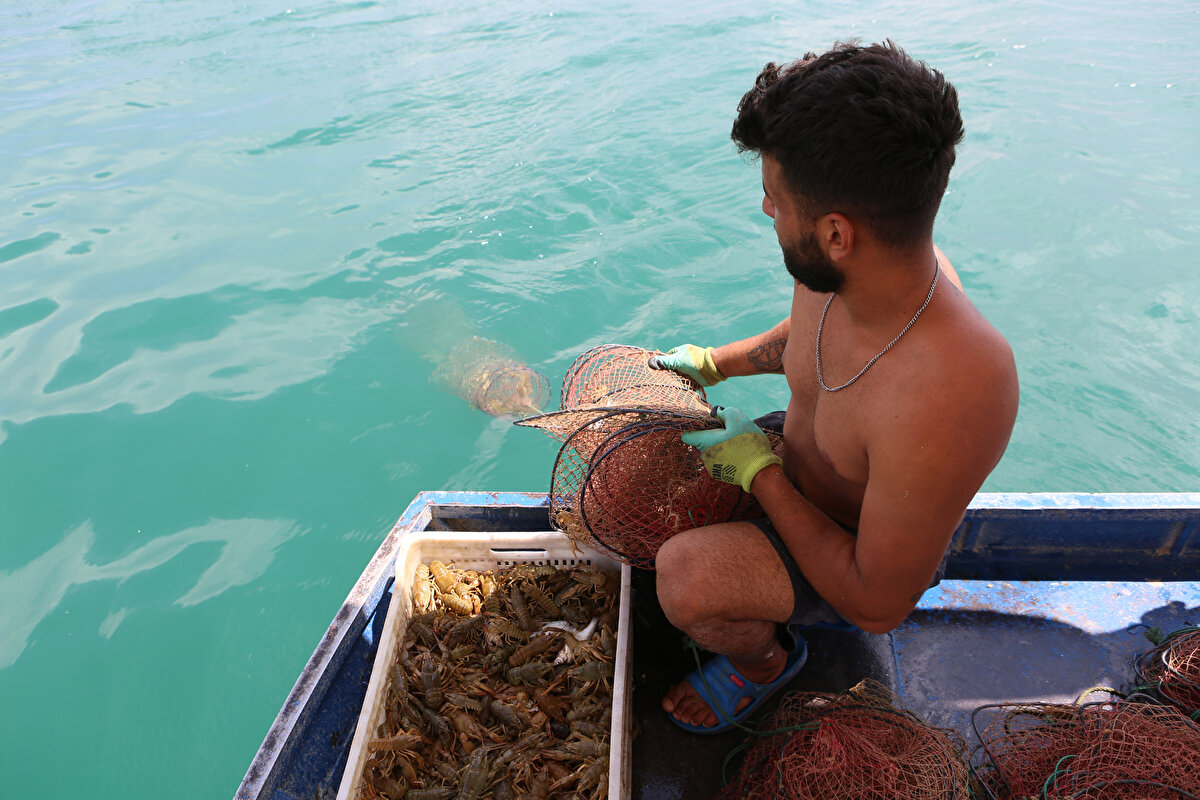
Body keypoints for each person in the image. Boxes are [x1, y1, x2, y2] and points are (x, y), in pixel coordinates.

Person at [648, 41, 1019, 733]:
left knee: (683, 578)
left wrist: (759, 475)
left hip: (850, 548)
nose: (766, 210)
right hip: (791, 459)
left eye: (774, 198)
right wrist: (712, 363)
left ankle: (763, 663)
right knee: (651, 467)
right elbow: (804, 340)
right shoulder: (853, 268)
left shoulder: (957, 392)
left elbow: (877, 603)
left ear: (836, 233)